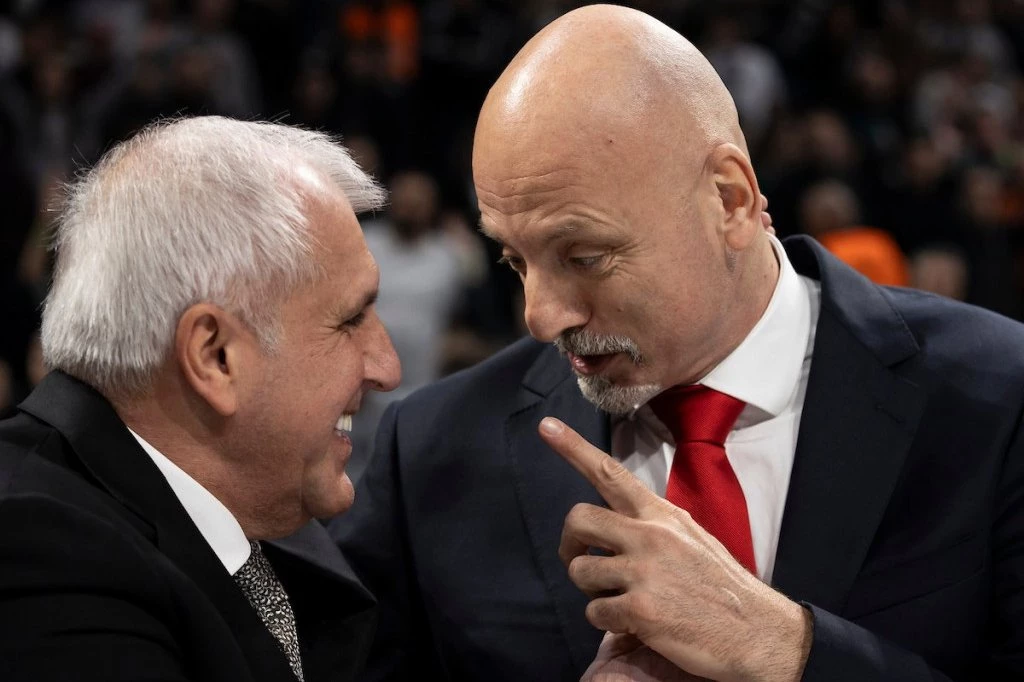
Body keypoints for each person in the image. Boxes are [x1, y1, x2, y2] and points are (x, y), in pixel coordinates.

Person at [332, 5, 1024, 682]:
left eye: (585, 256)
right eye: (516, 260)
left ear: (729, 200)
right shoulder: (433, 451)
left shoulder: (1000, 397)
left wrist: (786, 651)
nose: (540, 317)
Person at [0, 116, 401, 682]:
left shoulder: (259, 517)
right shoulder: (37, 551)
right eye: (351, 319)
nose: (388, 367)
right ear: (215, 357)